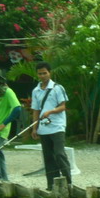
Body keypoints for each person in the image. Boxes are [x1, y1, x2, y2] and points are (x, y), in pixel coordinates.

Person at [31, 61, 72, 190]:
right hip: (43, 128)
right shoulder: (36, 90)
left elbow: (63, 106)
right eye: (40, 74)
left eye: (44, 73)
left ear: (49, 73)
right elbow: (36, 110)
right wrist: (34, 128)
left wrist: (50, 111)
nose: (42, 76)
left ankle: (68, 182)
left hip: (57, 126)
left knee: (59, 154)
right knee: (48, 157)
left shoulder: (58, 88)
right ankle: (51, 185)